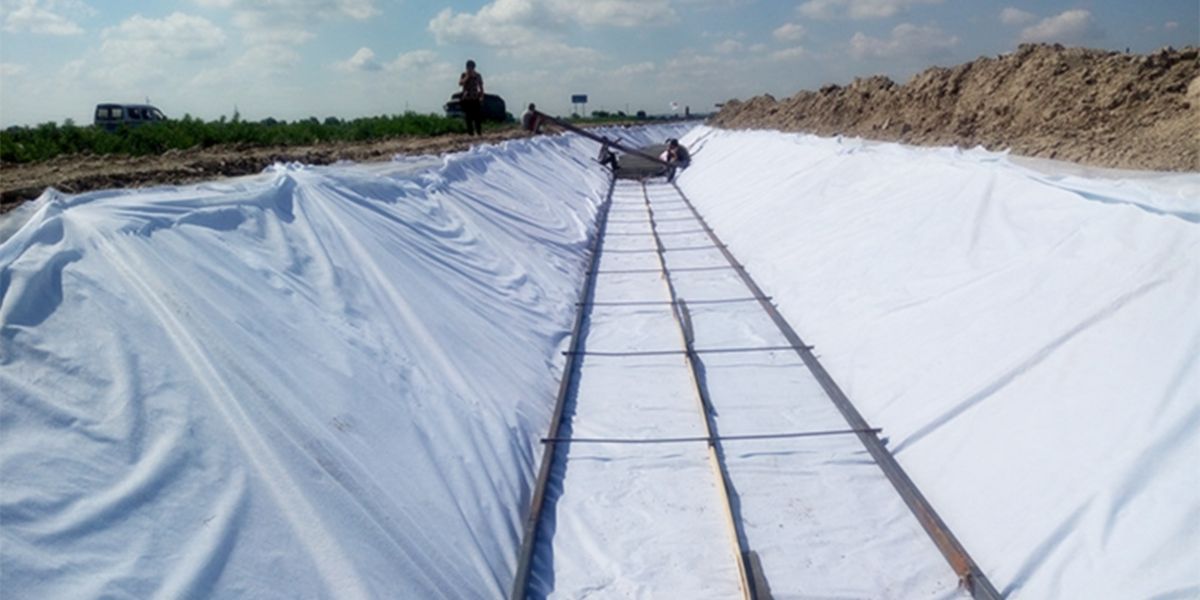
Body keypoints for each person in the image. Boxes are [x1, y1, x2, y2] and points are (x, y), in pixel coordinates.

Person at [458, 60, 485, 136]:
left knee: (477, 117)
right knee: (468, 117)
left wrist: (482, 96)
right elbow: (460, 83)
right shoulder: (464, 75)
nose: (469, 69)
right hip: (467, 98)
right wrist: (467, 77)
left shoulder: (478, 75)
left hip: (475, 98)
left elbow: (481, 86)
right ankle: (470, 133)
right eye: (468, 67)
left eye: (471, 67)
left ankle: (479, 132)